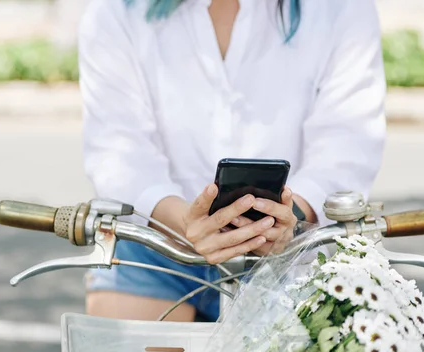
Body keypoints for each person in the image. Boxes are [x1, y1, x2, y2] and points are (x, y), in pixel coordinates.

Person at [78, 0, 386, 322]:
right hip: (155, 248)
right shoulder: (116, 10)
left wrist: (285, 224)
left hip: (292, 257)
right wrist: (186, 223)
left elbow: (346, 147)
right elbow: (119, 151)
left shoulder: (342, 8)